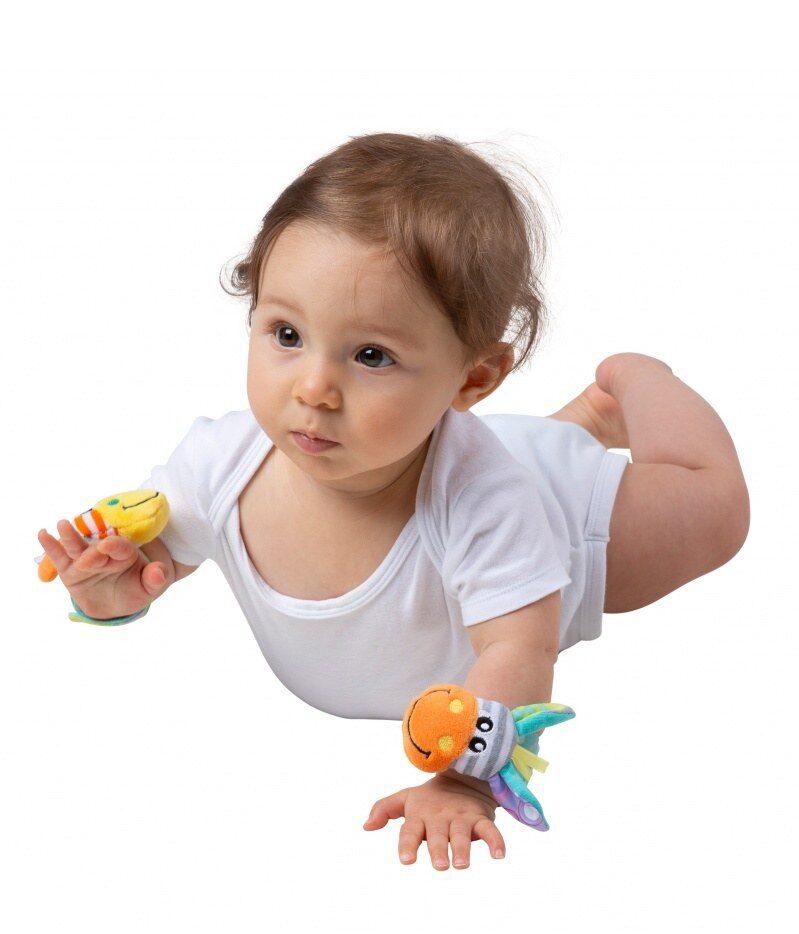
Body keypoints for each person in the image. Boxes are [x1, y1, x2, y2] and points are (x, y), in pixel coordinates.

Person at [36, 133, 750, 871]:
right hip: (435, 441)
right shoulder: (220, 464)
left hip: (563, 511)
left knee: (715, 512)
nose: (313, 388)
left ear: (471, 379)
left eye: (370, 355)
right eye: (287, 333)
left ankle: (628, 383)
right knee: (491, 445)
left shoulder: (486, 503)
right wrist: (111, 590)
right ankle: (576, 420)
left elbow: (518, 648)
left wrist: (463, 782)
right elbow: (155, 554)